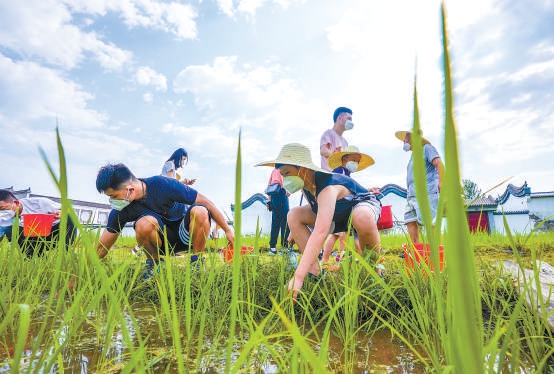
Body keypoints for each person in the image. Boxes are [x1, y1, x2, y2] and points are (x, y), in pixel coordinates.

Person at [256, 143, 381, 300]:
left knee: (361, 216)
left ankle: (375, 272)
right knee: (293, 215)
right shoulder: (306, 184)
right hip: (337, 216)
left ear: (304, 169)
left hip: (359, 207)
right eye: (283, 175)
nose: (285, 179)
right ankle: (314, 272)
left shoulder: (328, 186)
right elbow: (318, 211)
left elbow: (321, 231)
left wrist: (298, 276)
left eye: (287, 173)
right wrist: (295, 230)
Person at [93, 163, 234, 275]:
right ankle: (154, 267)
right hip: (160, 244)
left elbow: (206, 202)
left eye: (113, 196)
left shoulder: (162, 184)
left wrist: (227, 230)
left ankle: (196, 264)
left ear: (130, 189)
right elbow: (101, 247)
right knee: (144, 224)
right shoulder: (122, 209)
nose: (112, 201)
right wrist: (75, 279)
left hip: (185, 236)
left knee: (200, 210)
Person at [322, 145, 375, 263]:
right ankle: (336, 258)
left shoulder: (345, 173)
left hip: (341, 208)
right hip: (338, 208)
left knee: (339, 234)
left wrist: (369, 189)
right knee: (340, 234)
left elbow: (352, 189)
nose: (355, 163)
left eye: (357, 161)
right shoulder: (340, 172)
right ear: (344, 159)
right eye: (354, 160)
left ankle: (334, 258)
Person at [395, 130, 444, 244]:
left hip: (427, 193)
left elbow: (438, 163)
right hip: (412, 196)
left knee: (431, 224)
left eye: (407, 137)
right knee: (409, 221)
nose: (404, 140)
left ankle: (436, 253)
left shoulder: (426, 148)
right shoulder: (412, 156)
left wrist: (441, 182)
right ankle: (416, 253)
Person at [0, 189, 76, 258]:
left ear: (16, 203)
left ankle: (65, 254)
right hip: (37, 238)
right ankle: (36, 258)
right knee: (10, 231)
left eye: (2, 209)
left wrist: (61, 213)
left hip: (56, 233)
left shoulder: (40, 203)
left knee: (70, 216)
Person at [319, 107, 354, 171]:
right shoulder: (328, 133)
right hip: (329, 176)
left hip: (341, 176)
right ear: (339, 118)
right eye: (349, 119)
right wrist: (339, 159)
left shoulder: (345, 142)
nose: (351, 122)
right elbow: (323, 151)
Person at [265, 167, 290, 255]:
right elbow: (279, 183)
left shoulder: (273, 170)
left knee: (275, 222)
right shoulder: (282, 169)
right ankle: (284, 247)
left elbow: (269, 186)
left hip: (274, 197)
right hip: (281, 194)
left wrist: (269, 200)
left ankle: (272, 248)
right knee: (285, 222)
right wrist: (287, 188)